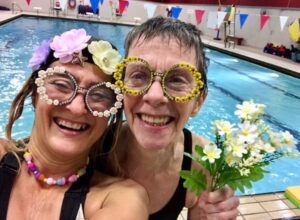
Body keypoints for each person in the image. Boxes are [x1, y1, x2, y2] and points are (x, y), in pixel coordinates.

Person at [0, 29, 148, 220]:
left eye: (99, 95)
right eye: (62, 85)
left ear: (110, 113)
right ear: (36, 94)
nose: (77, 108)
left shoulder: (119, 199)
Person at [107, 16, 240, 219]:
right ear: (121, 89)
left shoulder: (203, 161)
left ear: (198, 102)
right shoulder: (98, 147)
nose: (154, 96)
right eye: (139, 76)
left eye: (177, 79)